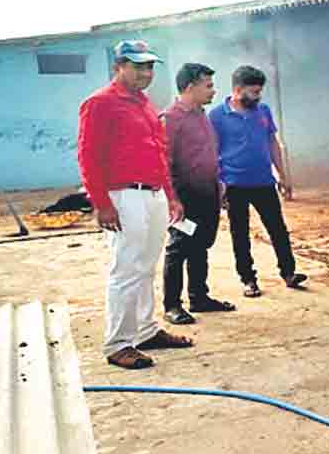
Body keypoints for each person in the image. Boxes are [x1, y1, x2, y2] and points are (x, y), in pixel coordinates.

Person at [77, 39, 194, 370]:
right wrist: (101, 203)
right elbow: (88, 157)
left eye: (150, 66)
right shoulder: (99, 104)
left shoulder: (144, 104)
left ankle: (145, 330)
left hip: (153, 194)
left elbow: (158, 152)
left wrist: (170, 196)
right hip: (123, 195)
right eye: (138, 65)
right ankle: (118, 343)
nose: (146, 72)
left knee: (145, 266)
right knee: (126, 269)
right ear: (119, 67)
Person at [209, 65, 306, 297]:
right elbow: (212, 150)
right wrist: (217, 184)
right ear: (238, 89)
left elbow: (273, 142)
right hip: (233, 184)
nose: (257, 97)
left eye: (259, 92)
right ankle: (248, 280)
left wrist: (283, 175)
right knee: (239, 233)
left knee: (278, 229)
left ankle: (289, 273)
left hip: (264, 181)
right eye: (253, 92)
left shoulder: (263, 111)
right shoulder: (216, 116)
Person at [161, 62, 236, 325]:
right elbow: (164, 162)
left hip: (208, 192)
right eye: (208, 85)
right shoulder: (171, 118)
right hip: (185, 196)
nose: (213, 91)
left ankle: (199, 297)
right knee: (178, 248)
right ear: (191, 87)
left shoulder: (201, 114)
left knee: (201, 244)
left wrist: (219, 186)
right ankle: (172, 305)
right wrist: (172, 199)